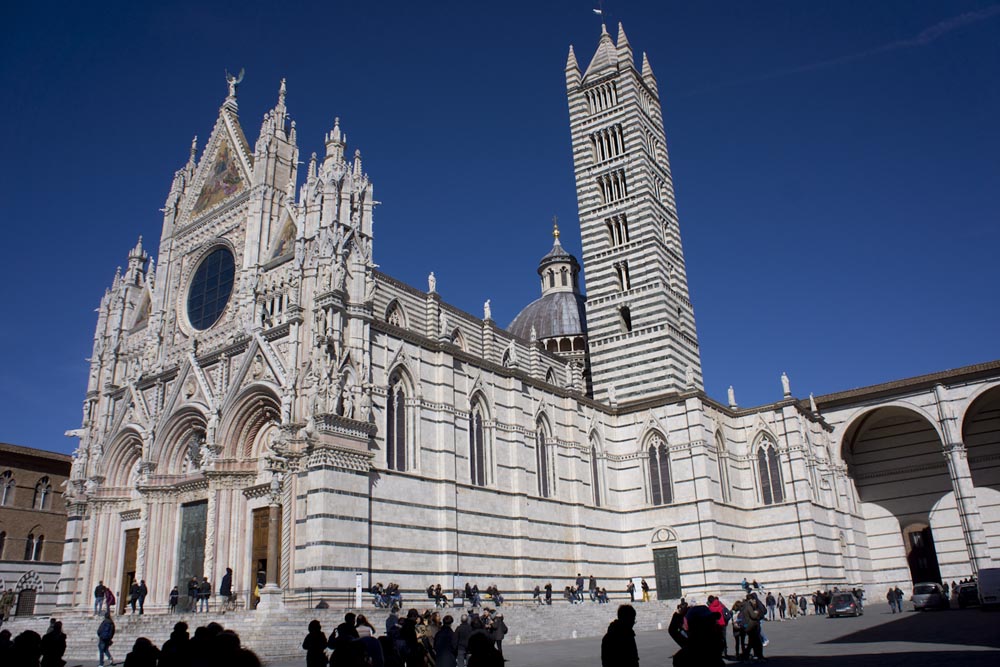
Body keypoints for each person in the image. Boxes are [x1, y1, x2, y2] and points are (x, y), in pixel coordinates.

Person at [742, 596, 765, 661]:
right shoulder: (749, 606)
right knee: (757, 642)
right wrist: (756, 612)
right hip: (752, 626)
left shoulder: (745, 606)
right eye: (754, 600)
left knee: (752, 643)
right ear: (750, 600)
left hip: (750, 626)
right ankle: (759, 656)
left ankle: (747, 656)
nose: (755, 601)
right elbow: (753, 615)